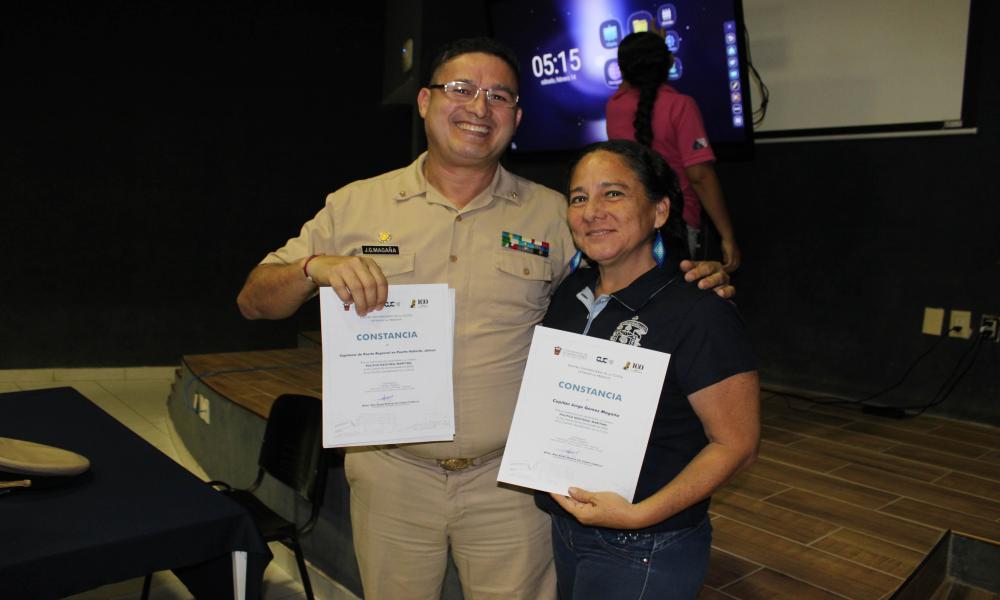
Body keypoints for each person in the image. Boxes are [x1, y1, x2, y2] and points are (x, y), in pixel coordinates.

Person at [237, 38, 733, 600]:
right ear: (425, 101)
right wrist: (312, 268)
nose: (479, 107)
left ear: (516, 119)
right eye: (461, 89)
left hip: (510, 487)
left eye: (499, 96)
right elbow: (255, 300)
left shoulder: (555, 215)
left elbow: (631, 267)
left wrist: (693, 277)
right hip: (391, 477)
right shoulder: (355, 206)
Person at [536, 139, 759, 599]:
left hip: (646, 544)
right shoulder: (568, 295)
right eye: (579, 198)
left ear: (659, 210)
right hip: (566, 528)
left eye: (613, 193)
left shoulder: (700, 310)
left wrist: (639, 515)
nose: (592, 211)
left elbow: (736, 445)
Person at [607, 31, 743, 272]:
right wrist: (727, 236)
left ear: (622, 68)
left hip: (632, 223)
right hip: (677, 225)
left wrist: (648, 52)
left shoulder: (614, 107)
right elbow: (700, 176)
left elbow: (627, 82)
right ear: (668, 63)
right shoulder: (681, 106)